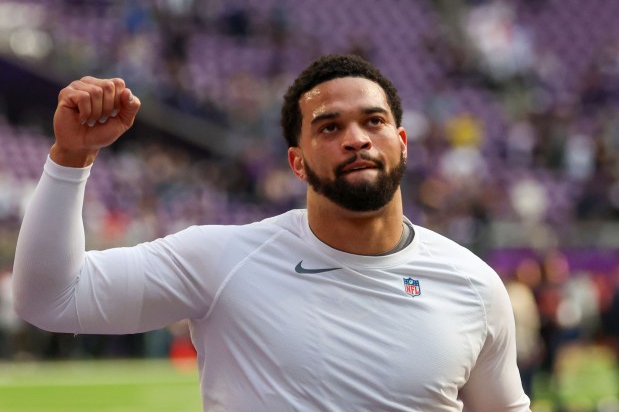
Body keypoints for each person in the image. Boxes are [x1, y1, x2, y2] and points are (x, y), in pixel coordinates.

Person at [13, 54, 531, 411]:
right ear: (297, 162)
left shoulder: (472, 285)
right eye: (329, 127)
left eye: (373, 122)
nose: (355, 139)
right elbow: (51, 299)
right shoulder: (221, 260)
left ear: (401, 142)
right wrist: (71, 157)